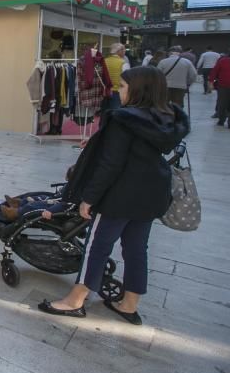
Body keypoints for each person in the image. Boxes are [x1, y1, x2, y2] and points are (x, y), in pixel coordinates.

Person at [38, 66, 189, 324]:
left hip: (120, 195)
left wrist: (89, 198)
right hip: (152, 194)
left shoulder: (124, 120)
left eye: (123, 86)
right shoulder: (166, 118)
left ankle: (74, 301)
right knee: (137, 249)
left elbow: (111, 165)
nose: (119, 91)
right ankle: (129, 304)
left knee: (96, 247)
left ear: (138, 89)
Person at [102, 43, 128, 116]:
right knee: (116, 115)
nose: (124, 52)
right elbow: (127, 80)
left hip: (105, 92)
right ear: (118, 51)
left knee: (104, 114)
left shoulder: (104, 61)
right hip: (117, 92)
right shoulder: (123, 63)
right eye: (123, 50)